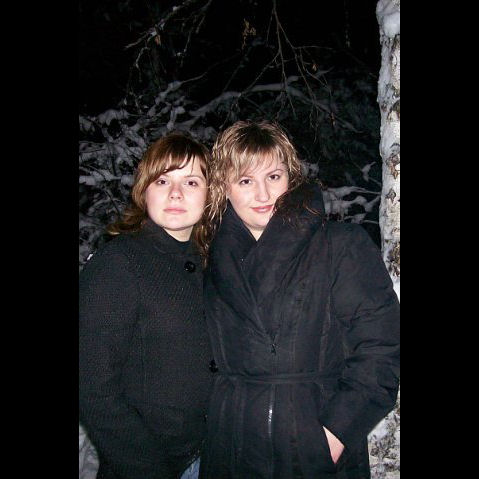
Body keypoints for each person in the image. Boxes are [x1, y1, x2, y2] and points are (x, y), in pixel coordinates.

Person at [198, 120, 400, 478]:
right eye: (246, 181)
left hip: (311, 447)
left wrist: (333, 435)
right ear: (224, 188)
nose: (263, 194)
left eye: (273, 176)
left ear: (290, 178)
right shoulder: (211, 258)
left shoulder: (340, 245)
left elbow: (382, 348)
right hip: (231, 447)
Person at [79, 132, 214, 479]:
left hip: (214, 457)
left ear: (209, 193)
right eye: (163, 180)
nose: (176, 193)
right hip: (151, 465)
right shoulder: (118, 263)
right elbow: (93, 388)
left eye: (191, 182)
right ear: (144, 190)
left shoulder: (211, 265)